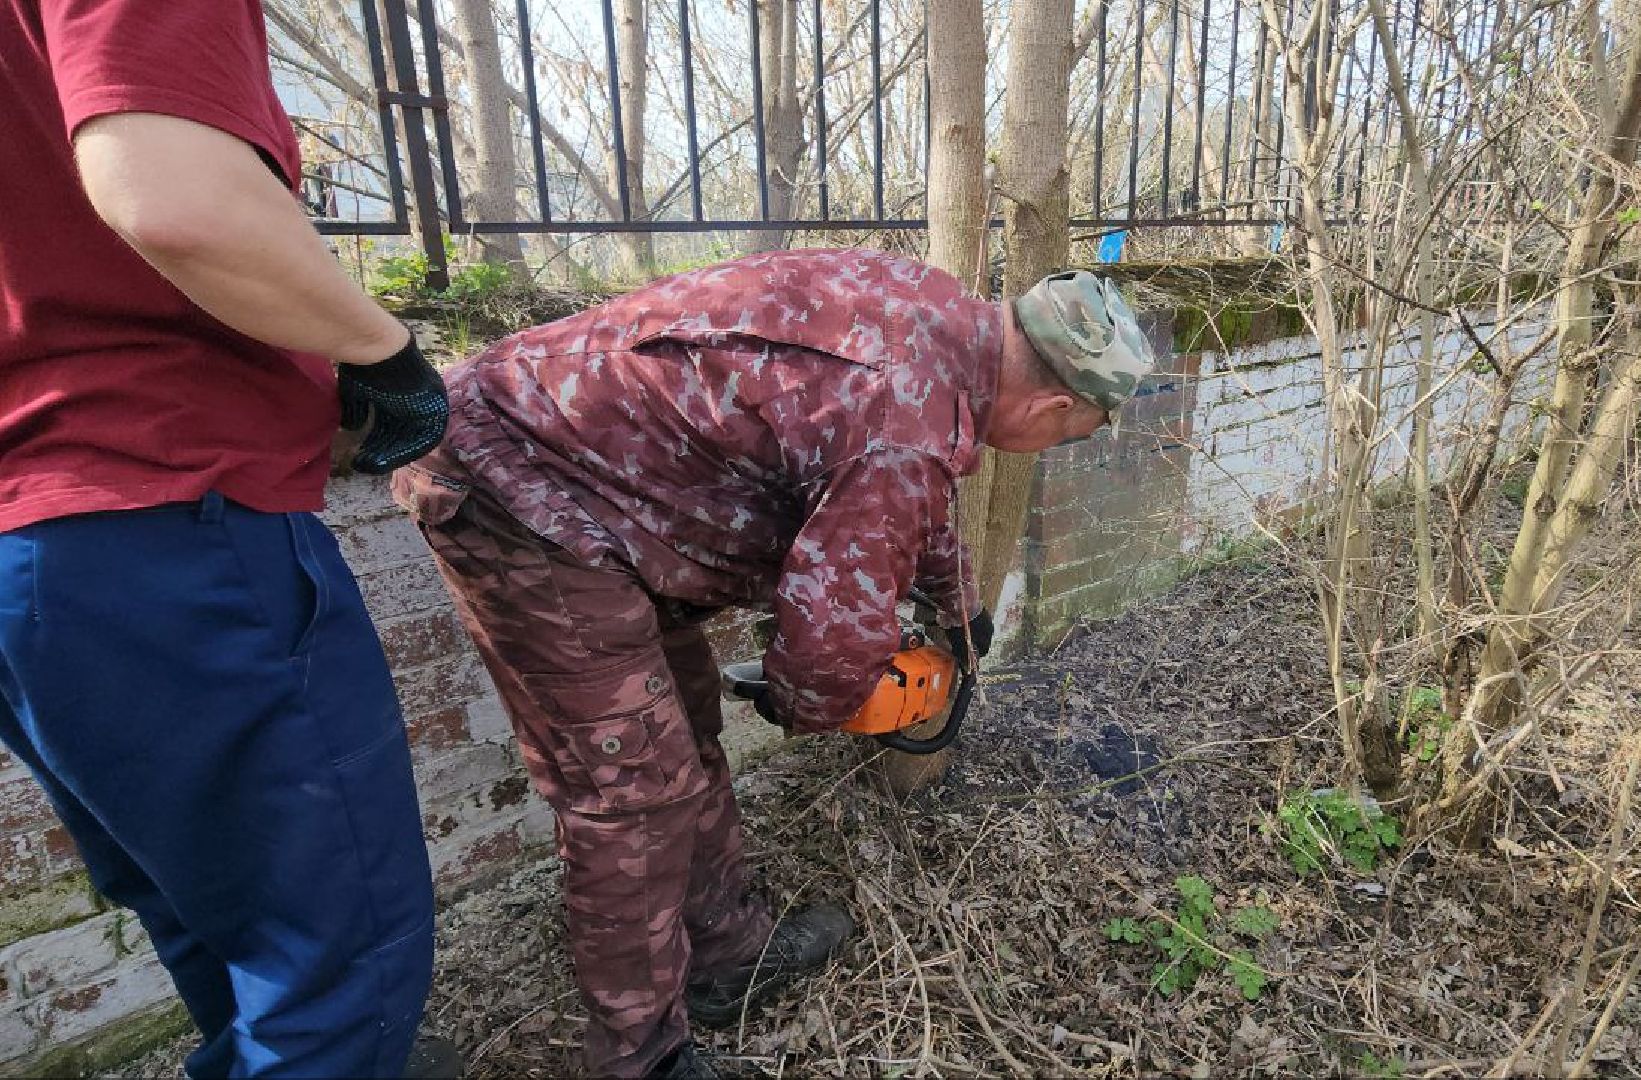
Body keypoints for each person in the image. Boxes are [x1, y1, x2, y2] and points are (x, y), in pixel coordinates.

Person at [392, 249, 1152, 1078]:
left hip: (608, 496)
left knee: (683, 733)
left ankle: (728, 956)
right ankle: (640, 1058)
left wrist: (956, 601)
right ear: (1048, 405)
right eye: (1069, 434)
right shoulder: (906, 417)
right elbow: (831, 639)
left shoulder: (931, 311)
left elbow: (903, 473)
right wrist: (807, 700)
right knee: (632, 788)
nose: (1049, 447)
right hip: (515, 484)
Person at [0, 1, 454, 1075]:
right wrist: (384, 355)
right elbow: (176, 198)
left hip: (32, 538)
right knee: (346, 969)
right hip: (165, 512)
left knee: (214, 919)